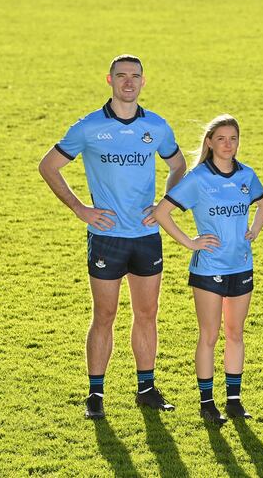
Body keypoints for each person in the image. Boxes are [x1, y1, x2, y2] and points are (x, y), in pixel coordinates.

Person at [38, 55, 186, 419]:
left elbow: (178, 164)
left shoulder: (156, 126)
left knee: (147, 313)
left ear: (143, 81)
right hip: (107, 237)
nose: (129, 82)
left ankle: (146, 389)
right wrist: (80, 208)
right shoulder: (88, 127)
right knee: (104, 315)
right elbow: (49, 166)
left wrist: (165, 204)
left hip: (146, 235)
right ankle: (95, 394)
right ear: (110, 80)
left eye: (135, 76)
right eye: (122, 76)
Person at [152, 114, 263, 425]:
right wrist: (190, 242)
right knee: (209, 335)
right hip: (209, 268)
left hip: (241, 265)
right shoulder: (198, 178)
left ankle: (234, 401)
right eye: (221, 139)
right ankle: (207, 403)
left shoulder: (247, 175)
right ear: (209, 142)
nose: (228, 144)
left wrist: (255, 230)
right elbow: (162, 212)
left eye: (233, 138)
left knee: (235, 333)